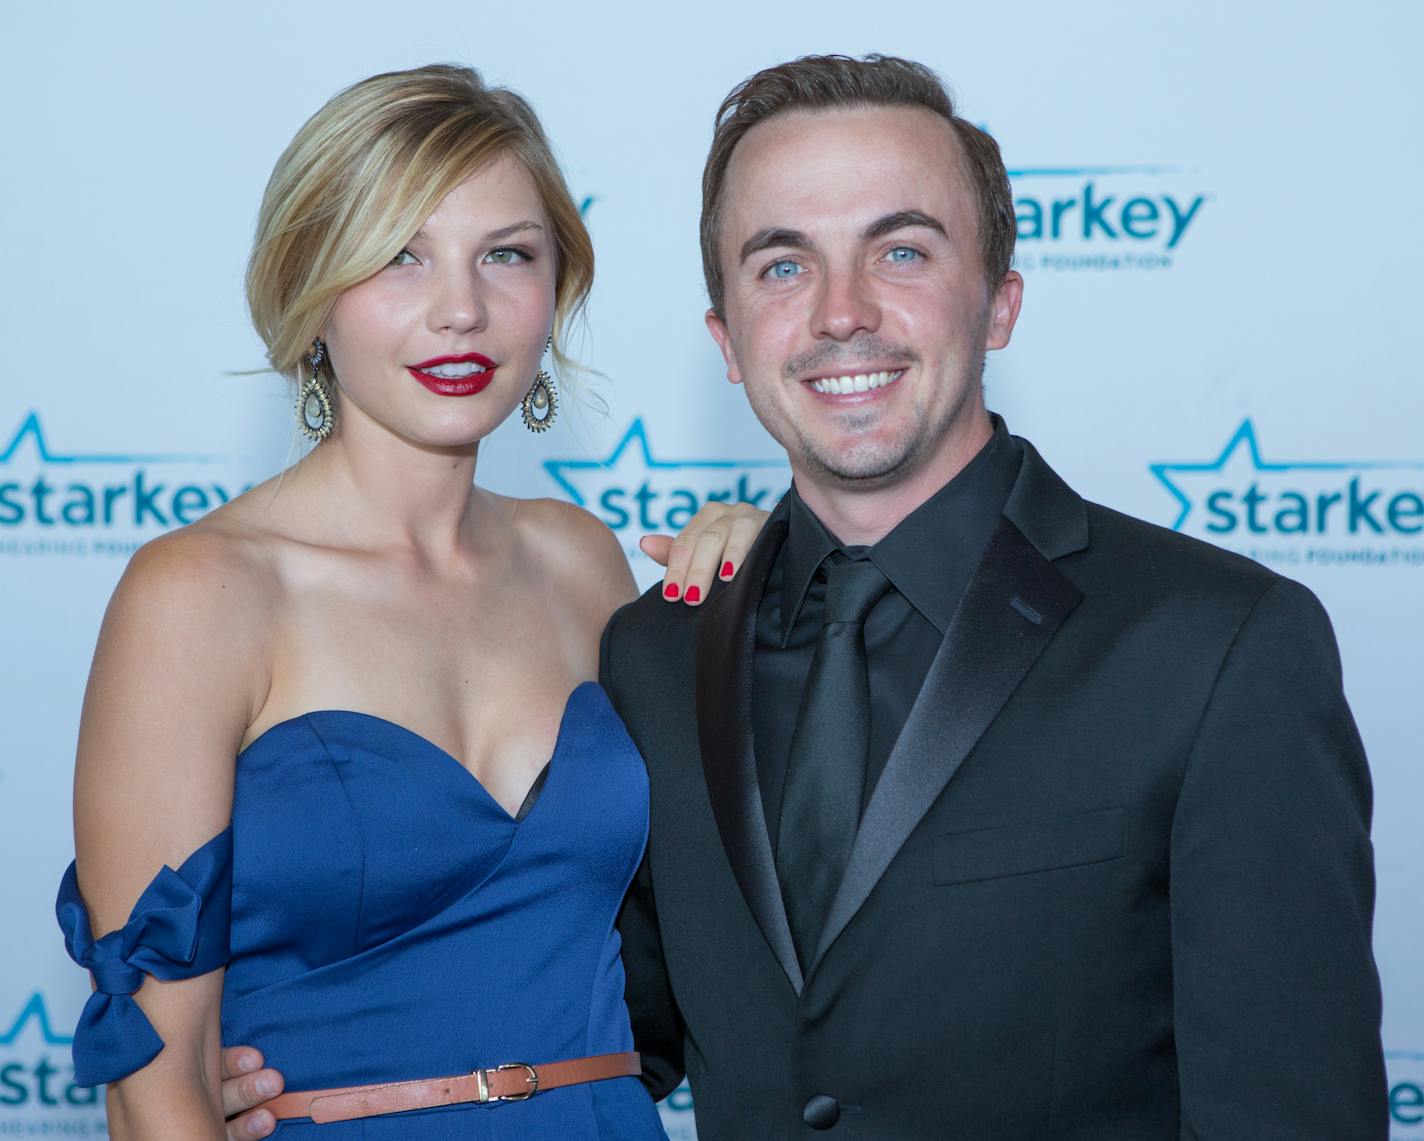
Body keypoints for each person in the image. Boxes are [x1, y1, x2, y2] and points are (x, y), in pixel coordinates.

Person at [222, 54, 1388, 1140]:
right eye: (782, 263)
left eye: (902, 250)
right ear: (726, 338)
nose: (840, 312)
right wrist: (311, 1070)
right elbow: (597, 1015)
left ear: (1000, 303)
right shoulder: (656, 653)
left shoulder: (1217, 645)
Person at [55, 63, 760, 1139]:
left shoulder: (579, 559)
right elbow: (156, 1090)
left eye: (506, 256)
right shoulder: (199, 594)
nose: (462, 310)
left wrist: (774, 580)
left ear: (555, 286)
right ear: (310, 287)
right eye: (400, 257)